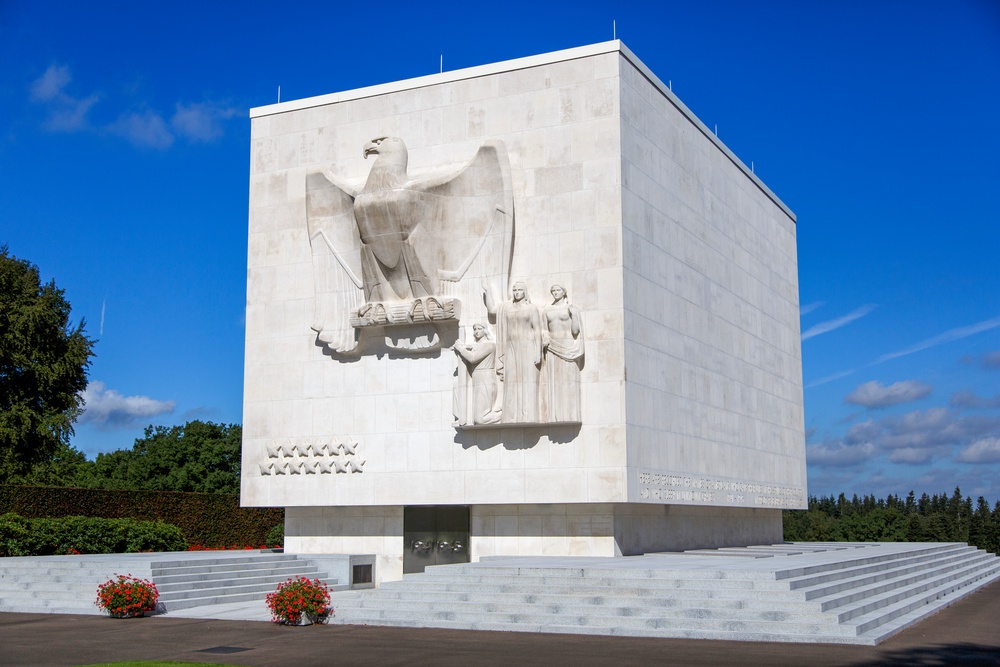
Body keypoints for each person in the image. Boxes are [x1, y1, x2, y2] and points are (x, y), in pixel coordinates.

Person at [485, 281, 542, 423]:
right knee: (511, 381)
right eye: (515, 290)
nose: (517, 292)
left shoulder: (532, 309)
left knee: (527, 380)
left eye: (519, 290)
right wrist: (487, 291)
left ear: (525, 292)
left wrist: (538, 352)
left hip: (528, 347)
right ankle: (511, 415)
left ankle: (528, 415)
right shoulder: (506, 308)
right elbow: (492, 310)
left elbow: (537, 331)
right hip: (511, 348)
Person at [541, 284, 584, 422]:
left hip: (568, 347)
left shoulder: (571, 308)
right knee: (554, 382)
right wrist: (545, 338)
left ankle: (570, 414)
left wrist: (575, 315)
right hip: (552, 347)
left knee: (569, 381)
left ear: (564, 292)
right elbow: (544, 329)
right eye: (553, 290)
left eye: (558, 290)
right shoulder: (546, 310)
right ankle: (555, 416)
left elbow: (576, 331)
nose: (555, 293)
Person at [451, 323, 500, 425]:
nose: (476, 331)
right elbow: (473, 349)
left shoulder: (490, 345)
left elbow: (473, 358)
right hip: (477, 379)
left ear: (485, 330)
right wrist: (460, 348)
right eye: (474, 329)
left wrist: (461, 349)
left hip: (486, 379)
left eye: (479, 328)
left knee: (480, 419)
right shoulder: (476, 346)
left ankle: (504, 414)